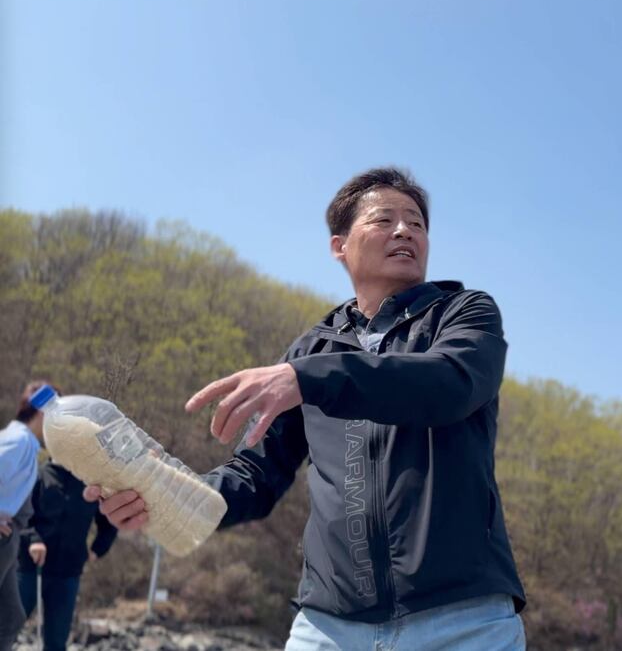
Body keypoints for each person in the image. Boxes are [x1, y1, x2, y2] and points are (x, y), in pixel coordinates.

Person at [88, 166, 527, 650]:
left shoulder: (464, 313)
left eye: (417, 224)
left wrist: (309, 377)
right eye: (384, 220)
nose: (405, 231)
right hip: (328, 626)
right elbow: (255, 475)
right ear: (340, 246)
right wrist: (167, 494)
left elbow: (450, 385)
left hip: (463, 622)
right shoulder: (308, 351)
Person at [18, 415, 119, 651]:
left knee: (56, 641)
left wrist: (97, 550)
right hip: (29, 569)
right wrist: (33, 540)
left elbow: (109, 520)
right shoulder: (37, 475)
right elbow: (20, 517)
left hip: (67, 572)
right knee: (6, 630)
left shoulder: (92, 483)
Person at [0, 382, 48, 651]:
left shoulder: (25, 443)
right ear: (43, 413)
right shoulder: (18, 441)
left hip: (8, 541)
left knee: (11, 617)